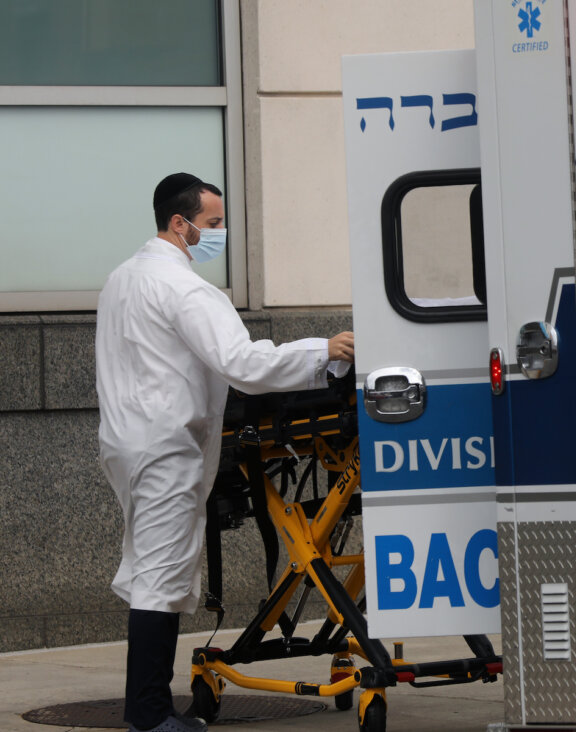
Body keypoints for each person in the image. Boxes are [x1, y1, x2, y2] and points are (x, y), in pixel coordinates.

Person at [95, 173, 355, 732]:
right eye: (212, 225)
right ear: (179, 224)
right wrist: (323, 350)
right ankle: (149, 715)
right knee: (160, 577)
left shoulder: (121, 279)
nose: (218, 234)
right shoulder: (184, 288)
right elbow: (244, 363)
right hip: (166, 447)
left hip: (128, 443)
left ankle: (148, 708)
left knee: (149, 570)